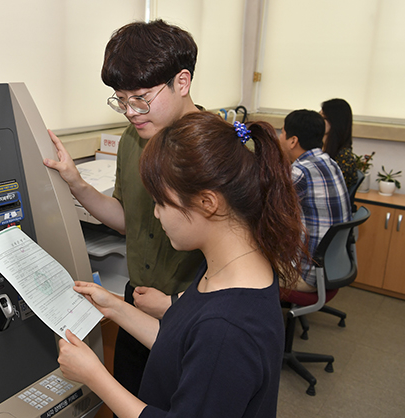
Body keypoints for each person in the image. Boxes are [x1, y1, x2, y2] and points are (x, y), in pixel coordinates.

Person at [57, 112, 307, 417]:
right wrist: (115, 307)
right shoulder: (228, 267)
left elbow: (209, 344)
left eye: (161, 203)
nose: (156, 214)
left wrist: (94, 376)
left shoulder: (227, 329)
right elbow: (180, 343)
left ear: (207, 203)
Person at [43, 20, 205, 397]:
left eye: (141, 98)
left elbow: (243, 263)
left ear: (182, 82)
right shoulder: (133, 139)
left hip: (191, 308)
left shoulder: (219, 151)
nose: (130, 111)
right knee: (131, 397)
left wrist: (176, 304)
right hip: (138, 301)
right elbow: (126, 221)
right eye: (121, 99)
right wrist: (76, 183)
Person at [278, 109, 352, 292]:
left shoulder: (300, 171)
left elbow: (268, 210)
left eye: (282, 132)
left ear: (293, 141)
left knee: (244, 257)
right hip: (332, 268)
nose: (279, 137)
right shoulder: (330, 162)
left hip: (307, 275)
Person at [321, 98, 358, 189]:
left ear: (335, 121)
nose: (318, 121)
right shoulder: (319, 147)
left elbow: (331, 189)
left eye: (322, 118)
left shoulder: (344, 157)